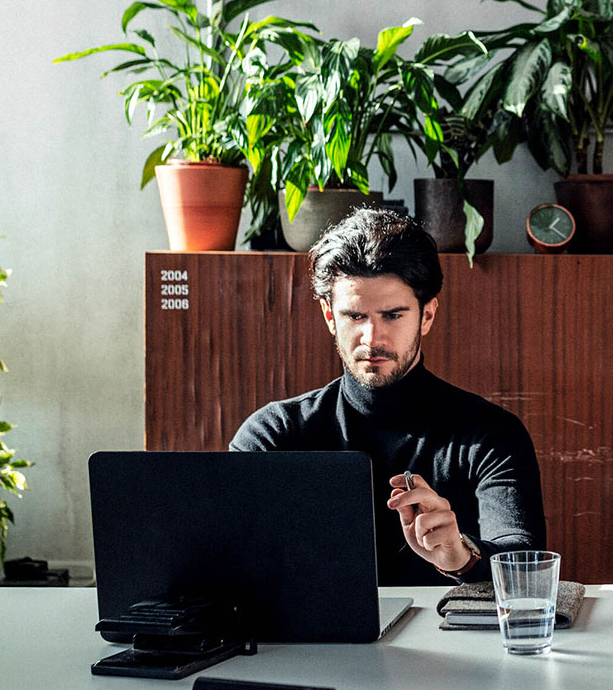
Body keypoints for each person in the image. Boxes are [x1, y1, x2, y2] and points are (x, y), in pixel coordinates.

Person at [231, 208, 547, 584]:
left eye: (393, 316)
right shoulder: (274, 434)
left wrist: (460, 556)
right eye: (354, 316)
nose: (372, 338)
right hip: (310, 644)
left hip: (451, 643)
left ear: (427, 315)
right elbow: (226, 559)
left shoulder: (490, 435)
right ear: (329, 316)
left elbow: (524, 560)